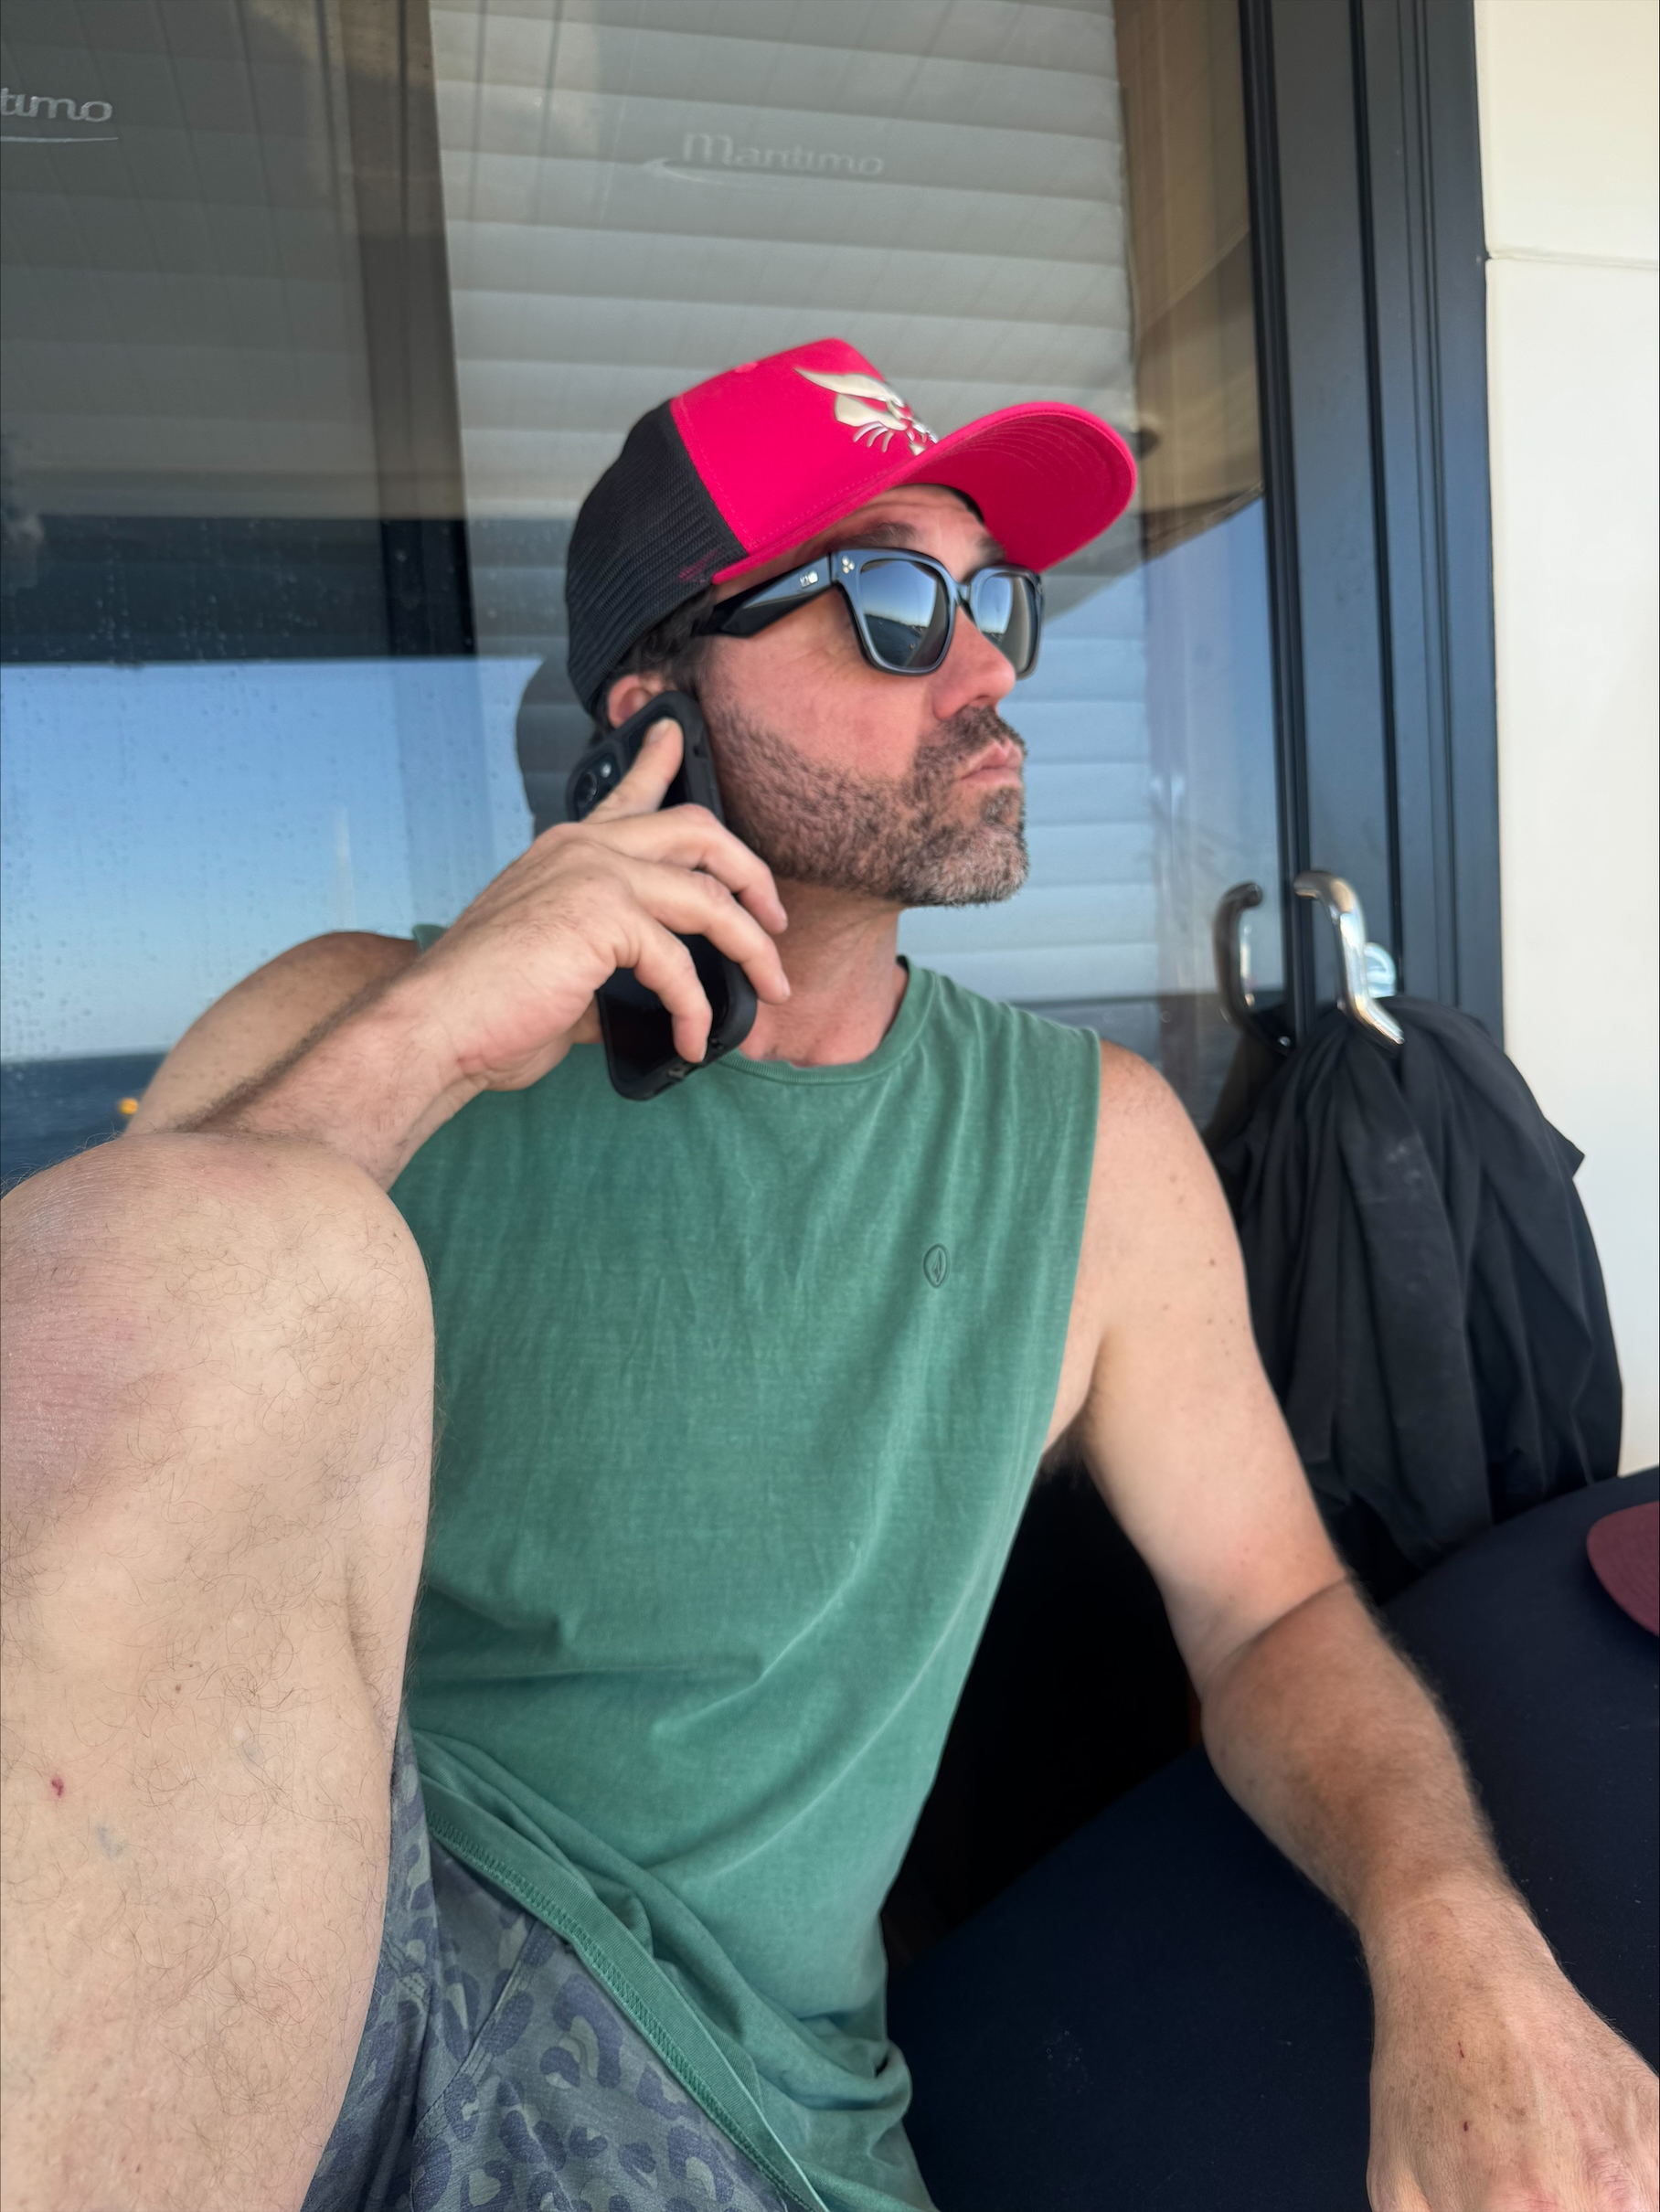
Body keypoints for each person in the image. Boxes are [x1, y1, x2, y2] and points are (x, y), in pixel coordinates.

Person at [1, 338, 1652, 2212]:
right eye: (888, 603)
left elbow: (1271, 1617)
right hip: (288, 1946)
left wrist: (1452, 1931)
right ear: (656, 711)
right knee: (260, 1246)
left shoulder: (1093, 1152)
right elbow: (83, 1439)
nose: (989, 668)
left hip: (703, 2107)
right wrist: (432, 1031)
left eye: (995, 600)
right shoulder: (346, 1026)